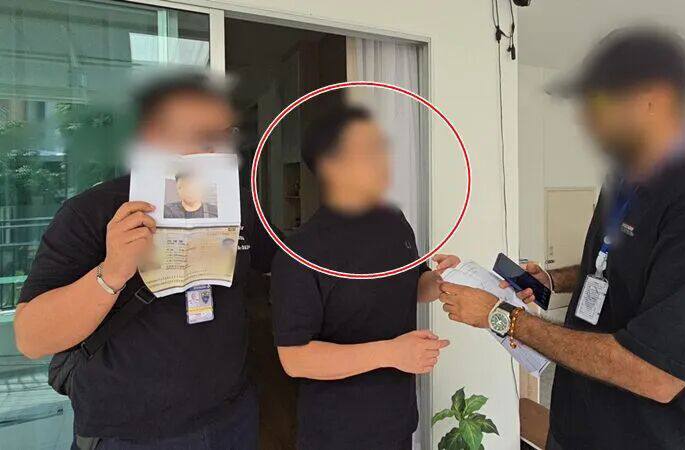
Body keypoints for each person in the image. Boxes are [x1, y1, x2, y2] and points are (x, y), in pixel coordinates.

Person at [439, 27, 685, 450]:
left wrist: (504, 318)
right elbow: (622, 264)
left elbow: (654, 374)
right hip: (582, 428)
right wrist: (551, 280)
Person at [13, 73, 278, 449]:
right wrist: (111, 272)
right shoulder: (91, 213)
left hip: (231, 417)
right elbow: (31, 338)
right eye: (203, 136)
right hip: (130, 433)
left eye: (225, 136)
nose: (218, 151)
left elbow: (284, 260)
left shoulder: (239, 206)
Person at [270, 106, 460, 450]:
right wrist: (392, 353)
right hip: (339, 434)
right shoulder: (299, 251)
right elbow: (295, 358)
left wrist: (440, 280)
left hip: (398, 420)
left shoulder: (394, 220)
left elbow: (412, 285)